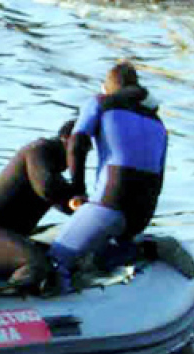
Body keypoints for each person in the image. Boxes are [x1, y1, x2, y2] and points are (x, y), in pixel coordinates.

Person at [46, 61, 168, 293]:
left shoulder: (100, 103)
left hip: (111, 202)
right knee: (103, 253)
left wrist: (78, 190)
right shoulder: (158, 123)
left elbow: (77, 144)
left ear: (107, 87)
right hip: (143, 212)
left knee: (56, 260)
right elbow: (159, 177)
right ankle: (129, 255)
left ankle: (66, 306)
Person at [0, 120, 77, 288]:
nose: (82, 154)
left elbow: (64, 202)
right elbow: (48, 189)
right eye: (81, 147)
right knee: (36, 264)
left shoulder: (51, 168)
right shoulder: (39, 150)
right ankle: (10, 298)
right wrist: (77, 191)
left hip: (1, 236)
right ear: (65, 139)